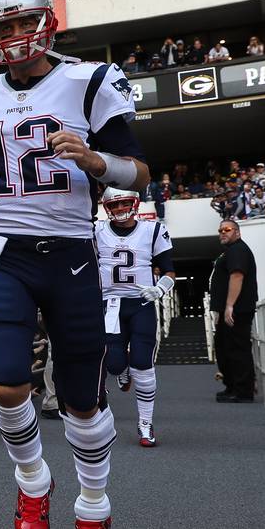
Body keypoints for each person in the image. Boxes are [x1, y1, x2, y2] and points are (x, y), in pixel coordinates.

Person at [0, 0, 149, 529]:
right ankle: (33, 481)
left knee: (81, 398)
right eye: (2, 27)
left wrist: (95, 161)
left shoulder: (88, 81)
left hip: (71, 253)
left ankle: (93, 500)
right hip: (4, 251)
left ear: (47, 23)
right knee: (8, 381)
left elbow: (140, 174)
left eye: (22, 22)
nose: (13, 35)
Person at [94, 188, 175, 447]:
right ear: (107, 208)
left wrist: (159, 289)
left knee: (143, 363)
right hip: (111, 305)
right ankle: (123, 370)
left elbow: (169, 271)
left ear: (135, 203)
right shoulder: (97, 231)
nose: (119, 209)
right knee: (114, 365)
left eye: (124, 203)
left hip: (141, 303)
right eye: (114, 205)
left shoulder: (152, 230)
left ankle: (145, 422)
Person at [211, 219, 257, 403]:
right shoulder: (230, 251)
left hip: (238, 309)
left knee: (238, 349)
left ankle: (243, 391)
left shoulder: (238, 249)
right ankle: (232, 386)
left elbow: (237, 275)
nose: (223, 232)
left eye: (227, 229)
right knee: (224, 348)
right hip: (229, 309)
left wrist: (230, 305)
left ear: (237, 232)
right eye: (220, 230)